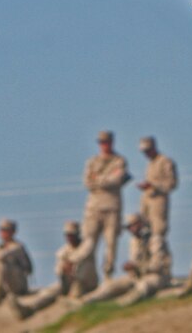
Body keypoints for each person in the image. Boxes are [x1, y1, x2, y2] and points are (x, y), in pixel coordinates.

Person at [74, 213, 172, 307]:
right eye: (129, 227)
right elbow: (134, 261)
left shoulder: (155, 240)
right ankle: (86, 301)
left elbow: (158, 265)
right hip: (136, 276)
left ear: (140, 224)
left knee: (143, 286)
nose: (131, 230)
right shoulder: (134, 242)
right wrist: (131, 267)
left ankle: (122, 304)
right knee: (111, 286)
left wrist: (137, 266)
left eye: (133, 226)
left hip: (156, 277)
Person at [8, 220, 98, 319]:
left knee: (75, 294)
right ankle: (29, 308)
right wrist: (63, 269)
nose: (69, 237)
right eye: (67, 235)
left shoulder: (87, 245)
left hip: (86, 283)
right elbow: (58, 268)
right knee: (50, 291)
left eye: (72, 234)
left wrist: (70, 263)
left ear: (78, 234)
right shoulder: (63, 251)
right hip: (68, 282)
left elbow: (80, 256)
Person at [82, 129, 131, 280]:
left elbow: (117, 180)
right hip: (93, 208)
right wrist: (107, 178)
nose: (104, 145)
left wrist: (99, 179)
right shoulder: (92, 162)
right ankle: (89, 278)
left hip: (112, 207)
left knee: (110, 245)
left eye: (107, 142)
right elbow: (88, 182)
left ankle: (108, 275)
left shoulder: (119, 161)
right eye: (101, 142)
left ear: (112, 142)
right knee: (88, 244)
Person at [136, 135, 177, 260]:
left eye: (147, 150)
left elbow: (172, 183)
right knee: (145, 234)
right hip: (147, 203)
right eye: (144, 151)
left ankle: (161, 265)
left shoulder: (165, 161)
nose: (146, 154)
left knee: (158, 236)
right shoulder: (150, 164)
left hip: (159, 203)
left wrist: (153, 186)